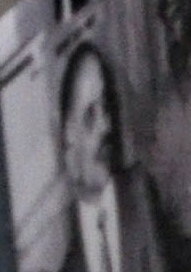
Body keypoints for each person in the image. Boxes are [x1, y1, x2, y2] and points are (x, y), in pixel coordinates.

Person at [55, 43, 172, 272]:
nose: (105, 125)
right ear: (69, 139)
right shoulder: (68, 264)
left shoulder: (140, 194)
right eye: (90, 114)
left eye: (105, 107)